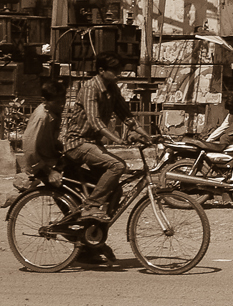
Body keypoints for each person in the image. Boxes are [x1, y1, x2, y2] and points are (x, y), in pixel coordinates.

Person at [61, 56, 149, 220]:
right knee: (117, 166)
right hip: (77, 143)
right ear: (101, 70)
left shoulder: (113, 89)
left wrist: (146, 136)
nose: (119, 74)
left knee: (115, 189)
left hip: (92, 144)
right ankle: (91, 206)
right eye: (115, 70)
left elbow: (126, 116)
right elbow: (95, 122)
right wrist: (118, 140)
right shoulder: (90, 87)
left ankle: (95, 231)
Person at [19, 79, 67, 186]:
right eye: (57, 102)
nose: (62, 106)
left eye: (63, 101)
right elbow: (29, 147)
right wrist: (48, 171)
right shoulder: (41, 117)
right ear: (44, 101)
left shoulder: (54, 112)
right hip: (41, 164)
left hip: (50, 159)